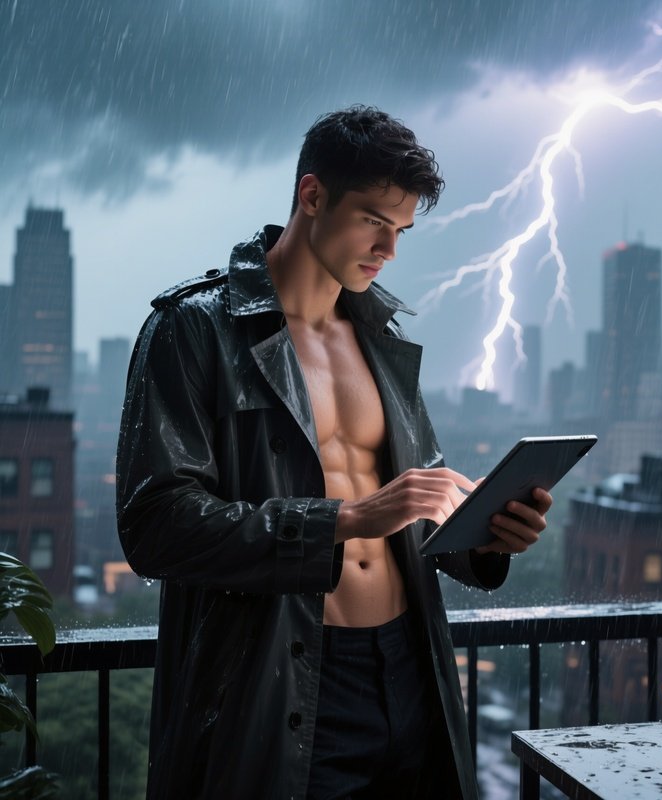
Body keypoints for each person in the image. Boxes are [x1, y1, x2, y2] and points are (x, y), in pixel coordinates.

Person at [116, 105, 551, 800]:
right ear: (312, 196)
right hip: (280, 683)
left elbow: (417, 504)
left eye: (401, 230)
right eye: (374, 221)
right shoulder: (193, 329)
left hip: (411, 665)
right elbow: (155, 524)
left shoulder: (381, 338)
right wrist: (345, 519)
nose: (389, 249)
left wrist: (486, 536)